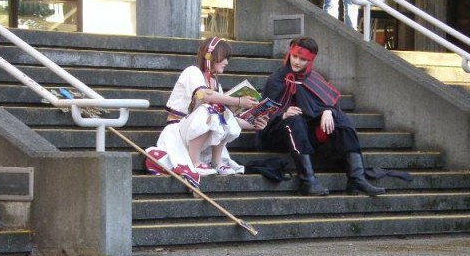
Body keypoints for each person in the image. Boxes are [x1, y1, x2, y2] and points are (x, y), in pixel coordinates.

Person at [257, 36, 385, 197]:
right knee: (294, 119)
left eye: (303, 59)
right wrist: (283, 114)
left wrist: (328, 110)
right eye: (295, 56)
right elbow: (262, 114)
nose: (297, 62)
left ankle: (356, 178)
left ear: (310, 61)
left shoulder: (314, 78)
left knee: (341, 118)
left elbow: (327, 101)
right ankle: (307, 181)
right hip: (277, 135)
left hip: (305, 135)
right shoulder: (276, 79)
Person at [146, 37, 267, 185]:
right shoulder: (192, 72)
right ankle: (194, 162)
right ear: (210, 55)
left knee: (220, 110)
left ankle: (216, 163)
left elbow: (226, 117)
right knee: (214, 106)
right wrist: (239, 101)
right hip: (177, 132)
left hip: (196, 134)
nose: (226, 62)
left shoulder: (215, 82)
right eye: (224, 57)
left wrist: (252, 123)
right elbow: (204, 95)